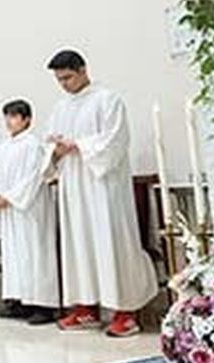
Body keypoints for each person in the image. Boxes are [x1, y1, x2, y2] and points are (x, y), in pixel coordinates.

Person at [44, 50, 159, 338]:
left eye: (68, 77)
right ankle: (86, 308)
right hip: (73, 185)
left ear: (83, 70)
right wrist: (55, 150)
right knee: (79, 244)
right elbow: (50, 144)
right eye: (59, 80)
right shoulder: (61, 107)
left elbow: (115, 141)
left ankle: (125, 313)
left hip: (102, 187)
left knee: (110, 243)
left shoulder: (107, 100)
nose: (64, 84)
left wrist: (78, 146)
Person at [0, 100, 59, 325]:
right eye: (7, 116)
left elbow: (34, 177)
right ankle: (19, 301)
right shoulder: (4, 147)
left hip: (30, 210)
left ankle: (43, 305)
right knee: (15, 256)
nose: (9, 121)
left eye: (14, 116)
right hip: (11, 211)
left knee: (34, 254)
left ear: (27, 119)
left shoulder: (33, 145)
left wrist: (10, 197)